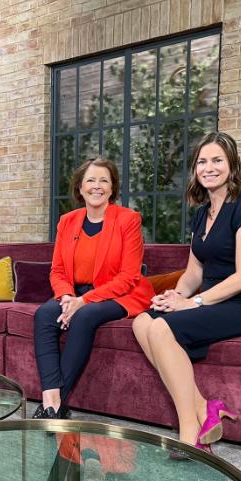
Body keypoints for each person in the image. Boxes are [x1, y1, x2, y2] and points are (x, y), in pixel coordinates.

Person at [132, 132, 241, 452]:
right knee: (142, 321)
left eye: (217, 160)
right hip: (214, 300)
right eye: (202, 161)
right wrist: (174, 296)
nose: (208, 167)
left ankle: (189, 434)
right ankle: (204, 409)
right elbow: (194, 272)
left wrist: (193, 302)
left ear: (232, 165)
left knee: (162, 327)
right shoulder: (202, 214)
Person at [32, 157, 154, 419]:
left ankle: (53, 408)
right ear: (80, 187)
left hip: (121, 293)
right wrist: (66, 297)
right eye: (90, 180)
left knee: (84, 316)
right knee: (44, 314)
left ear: (112, 188)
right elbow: (58, 271)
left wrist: (83, 301)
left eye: (104, 181)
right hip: (75, 293)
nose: (96, 186)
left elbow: (129, 276)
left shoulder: (128, 219)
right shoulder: (67, 221)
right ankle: (52, 399)